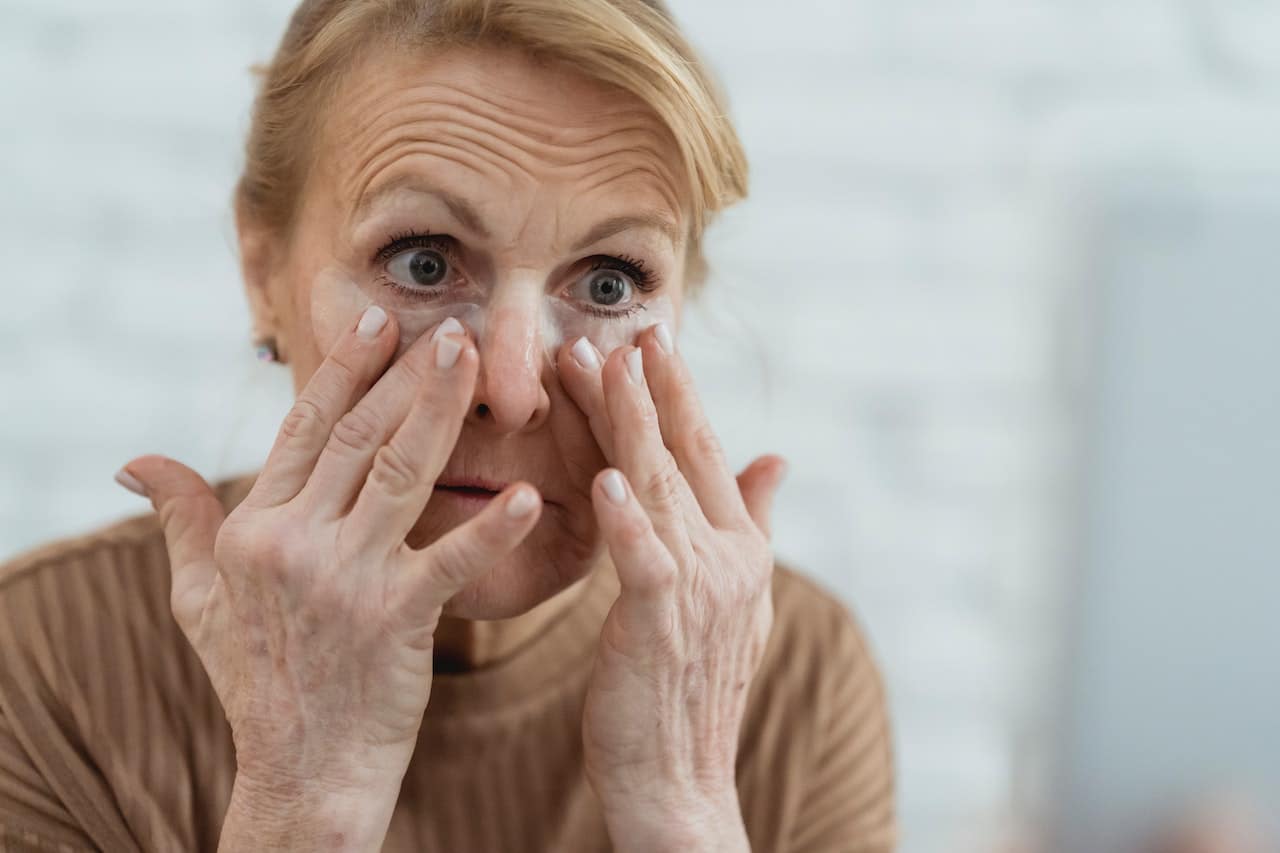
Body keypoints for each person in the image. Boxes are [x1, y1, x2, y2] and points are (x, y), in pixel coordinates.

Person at [0, 1, 895, 850]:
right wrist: (302, 801)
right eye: (423, 263)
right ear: (262, 271)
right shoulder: (44, 665)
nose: (509, 390)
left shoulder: (796, 683)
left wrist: (686, 810)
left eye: (609, 283)